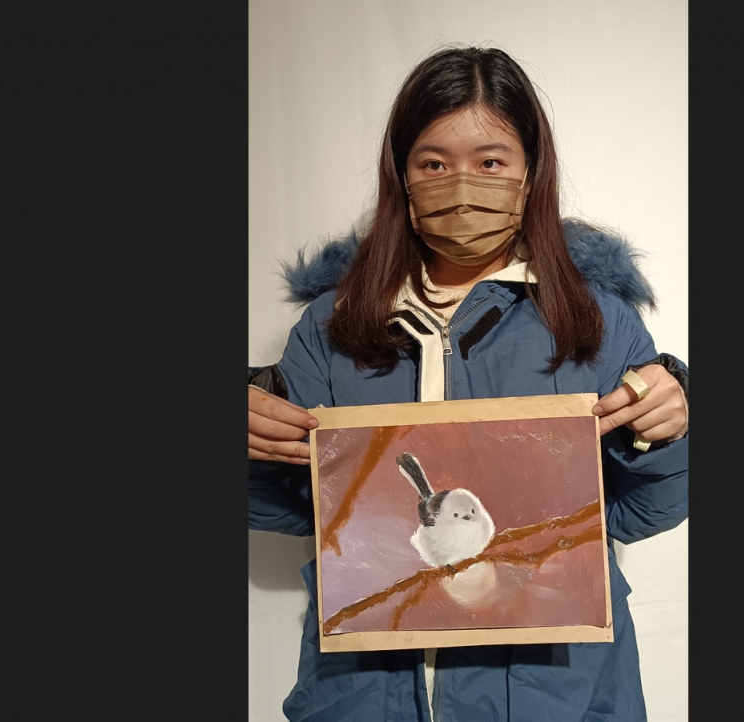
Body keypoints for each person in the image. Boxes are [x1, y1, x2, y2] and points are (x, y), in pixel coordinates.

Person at [248, 46, 688, 722]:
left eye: (490, 162)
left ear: (530, 173)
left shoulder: (594, 318)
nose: (461, 186)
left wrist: (668, 429)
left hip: (556, 698)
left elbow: (643, 512)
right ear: (401, 174)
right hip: (367, 695)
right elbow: (292, 510)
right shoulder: (333, 324)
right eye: (433, 163)